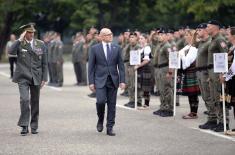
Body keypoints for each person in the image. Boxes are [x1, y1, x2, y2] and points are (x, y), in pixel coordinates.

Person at [8, 23, 48, 136]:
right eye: (29, 32)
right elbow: (10, 52)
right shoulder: (20, 44)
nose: (31, 34)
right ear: (24, 33)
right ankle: (24, 125)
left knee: (35, 102)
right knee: (24, 100)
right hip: (23, 77)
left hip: (36, 77)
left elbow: (45, 62)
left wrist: (44, 78)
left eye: (32, 32)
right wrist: (19, 40)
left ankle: (34, 125)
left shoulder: (40, 44)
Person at [88, 28, 125, 136]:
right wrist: (91, 82)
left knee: (112, 105)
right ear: (102, 36)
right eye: (108, 34)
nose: (111, 36)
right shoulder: (94, 48)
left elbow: (121, 66)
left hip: (113, 80)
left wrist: (122, 80)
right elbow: (91, 67)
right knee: (100, 101)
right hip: (99, 80)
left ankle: (110, 127)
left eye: (111, 34)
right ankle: (100, 119)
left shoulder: (117, 48)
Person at [205, 20, 229, 132]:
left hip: (218, 71)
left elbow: (224, 56)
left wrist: (223, 74)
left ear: (215, 28)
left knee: (220, 96)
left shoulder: (220, 39)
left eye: (208, 27)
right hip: (212, 71)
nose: (207, 28)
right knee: (215, 97)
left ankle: (224, 122)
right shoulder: (213, 40)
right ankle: (218, 121)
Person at [179, 30, 200, 119]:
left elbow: (187, 63)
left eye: (187, 35)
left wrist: (182, 55)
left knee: (193, 94)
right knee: (190, 94)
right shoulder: (187, 47)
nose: (185, 37)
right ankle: (192, 111)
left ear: (192, 36)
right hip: (187, 72)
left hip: (192, 71)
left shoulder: (194, 48)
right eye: (185, 35)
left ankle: (194, 112)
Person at [153, 29, 174, 117]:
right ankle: (163, 106)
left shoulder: (167, 46)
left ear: (166, 36)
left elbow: (172, 60)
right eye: (159, 35)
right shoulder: (160, 45)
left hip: (165, 69)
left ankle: (169, 108)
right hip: (159, 69)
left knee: (166, 89)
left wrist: (170, 72)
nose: (159, 36)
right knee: (161, 89)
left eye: (162, 35)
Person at [135, 34, 152, 109]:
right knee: (142, 86)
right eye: (140, 38)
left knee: (146, 86)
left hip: (146, 69)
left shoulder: (147, 48)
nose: (140, 40)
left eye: (142, 38)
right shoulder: (141, 49)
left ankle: (146, 104)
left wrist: (138, 66)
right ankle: (142, 103)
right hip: (141, 69)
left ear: (146, 39)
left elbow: (147, 60)